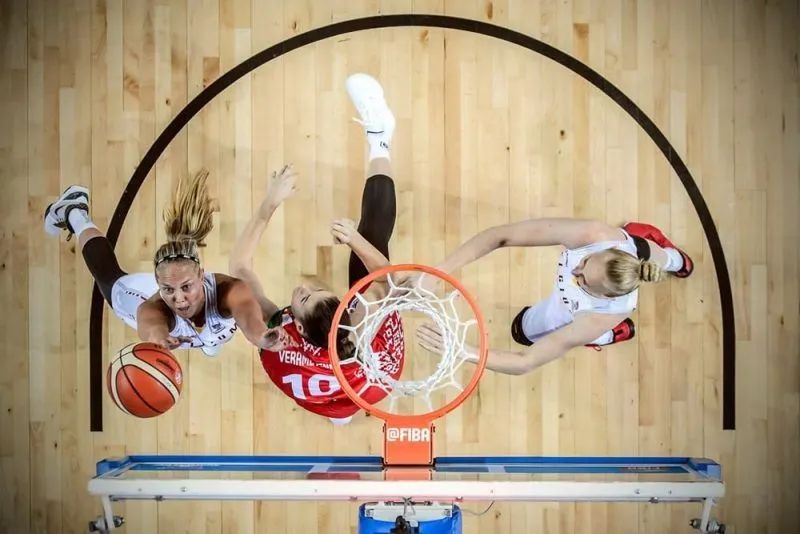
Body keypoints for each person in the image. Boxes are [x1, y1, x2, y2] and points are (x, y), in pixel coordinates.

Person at [229, 73, 405, 425]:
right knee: (372, 246)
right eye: (312, 293)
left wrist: (270, 202)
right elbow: (389, 279)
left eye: (306, 295)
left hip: (330, 389)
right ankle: (380, 138)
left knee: (340, 412)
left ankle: (341, 416)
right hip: (369, 384)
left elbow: (240, 270)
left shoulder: (283, 340)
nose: (303, 286)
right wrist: (356, 238)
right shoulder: (373, 336)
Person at [44, 169, 281, 355]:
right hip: (142, 296)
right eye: (168, 289)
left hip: (204, 322)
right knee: (109, 280)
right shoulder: (152, 306)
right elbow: (152, 326)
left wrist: (262, 337)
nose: (178, 299)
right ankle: (74, 210)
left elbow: (250, 319)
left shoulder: (229, 291)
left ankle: (207, 338)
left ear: (202, 275)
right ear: (158, 283)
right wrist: (159, 340)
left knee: (212, 331)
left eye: (186, 287)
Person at [416, 218, 693, 375]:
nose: (576, 269)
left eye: (583, 280)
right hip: (630, 250)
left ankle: (611, 333)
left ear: (604, 295)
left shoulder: (600, 315)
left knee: (524, 333)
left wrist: (463, 351)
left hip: (591, 320)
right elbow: (501, 235)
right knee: (652, 249)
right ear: (601, 249)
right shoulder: (592, 235)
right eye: (586, 261)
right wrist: (437, 272)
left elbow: (526, 361)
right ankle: (675, 259)